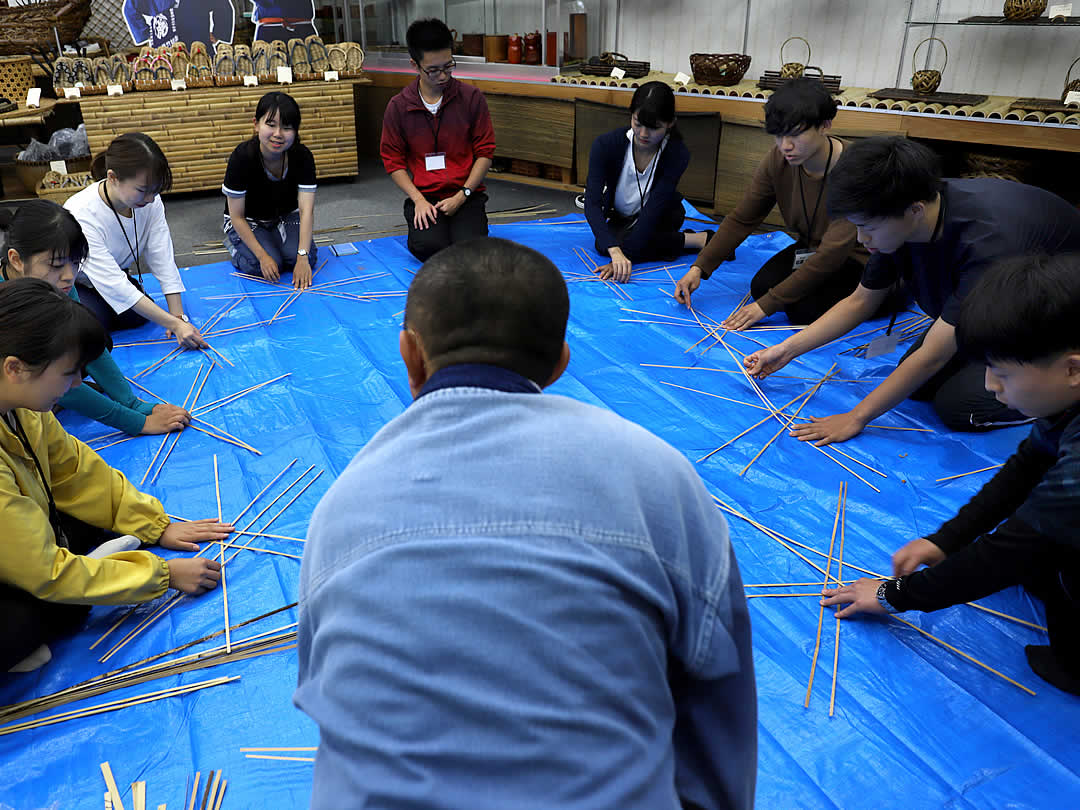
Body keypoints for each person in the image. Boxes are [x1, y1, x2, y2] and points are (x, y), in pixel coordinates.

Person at [295, 237, 757, 810]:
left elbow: (326, 695)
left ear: (408, 356)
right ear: (563, 362)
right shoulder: (658, 476)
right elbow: (718, 700)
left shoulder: (339, 507)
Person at [822, 253, 1080, 695]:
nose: (990, 387)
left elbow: (1007, 553)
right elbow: (1025, 468)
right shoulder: (1065, 401)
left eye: (1002, 373)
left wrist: (894, 596)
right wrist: (947, 539)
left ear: (1072, 369)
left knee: (1052, 572)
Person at [743, 136, 1080, 444]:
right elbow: (861, 301)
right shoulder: (900, 217)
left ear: (915, 211)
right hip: (996, 302)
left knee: (958, 406)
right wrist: (785, 350)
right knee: (918, 386)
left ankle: (1062, 397)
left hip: (1055, 314)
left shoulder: (986, 243)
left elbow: (933, 355)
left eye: (868, 228)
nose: (862, 239)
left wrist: (855, 418)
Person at [0, 278, 232, 674]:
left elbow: (75, 471)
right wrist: (162, 575)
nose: (76, 385)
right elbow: (44, 572)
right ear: (15, 368)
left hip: (14, 540)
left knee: (94, 527)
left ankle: (83, 580)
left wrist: (156, 526)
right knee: (25, 623)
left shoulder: (24, 405)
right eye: (69, 373)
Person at [674, 78, 867, 327]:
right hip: (813, 248)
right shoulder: (779, 159)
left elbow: (832, 254)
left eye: (796, 135)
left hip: (858, 259)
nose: (785, 146)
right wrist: (699, 268)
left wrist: (765, 307)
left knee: (801, 309)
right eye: (778, 136)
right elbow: (744, 218)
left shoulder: (856, 170)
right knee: (762, 286)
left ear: (825, 125)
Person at [0, 201, 191, 437]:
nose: (69, 276)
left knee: (94, 337)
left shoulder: (55, 284)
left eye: (75, 263)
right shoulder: (12, 307)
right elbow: (49, 374)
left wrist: (131, 403)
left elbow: (80, 340)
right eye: (57, 265)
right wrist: (136, 423)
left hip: (34, 374)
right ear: (16, 259)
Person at [65, 133, 206, 350]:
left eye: (154, 191)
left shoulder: (150, 200)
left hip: (116, 274)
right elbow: (113, 282)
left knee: (137, 318)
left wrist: (177, 315)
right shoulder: (82, 213)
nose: (150, 199)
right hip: (77, 283)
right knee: (92, 329)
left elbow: (162, 255)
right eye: (142, 190)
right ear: (112, 177)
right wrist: (174, 325)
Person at [380, 17, 496, 262]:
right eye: (433, 70)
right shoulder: (399, 107)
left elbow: (485, 152)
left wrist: (462, 195)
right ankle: (421, 216)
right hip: (425, 195)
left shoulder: (471, 98)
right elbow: (393, 161)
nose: (443, 76)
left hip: (466, 193)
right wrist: (418, 200)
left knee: (471, 249)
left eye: (449, 66)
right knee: (428, 247)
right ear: (415, 64)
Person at [584, 81, 712, 283]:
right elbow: (591, 204)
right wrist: (616, 251)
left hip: (661, 216)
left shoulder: (677, 153)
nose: (643, 134)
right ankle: (695, 240)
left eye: (654, 128)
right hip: (622, 216)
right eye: (638, 123)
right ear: (631, 115)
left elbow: (653, 211)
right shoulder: (605, 145)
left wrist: (622, 258)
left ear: (670, 123)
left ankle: (695, 240)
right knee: (604, 245)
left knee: (623, 244)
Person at [223, 91, 318, 291]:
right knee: (265, 265)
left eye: (287, 127)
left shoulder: (302, 157)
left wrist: (302, 256)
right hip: (247, 220)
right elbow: (237, 216)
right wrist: (263, 256)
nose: (278, 134)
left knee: (303, 257)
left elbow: (306, 210)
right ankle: (237, 247)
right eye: (271, 124)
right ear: (256, 124)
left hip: (284, 216)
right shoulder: (242, 158)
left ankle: (278, 242)